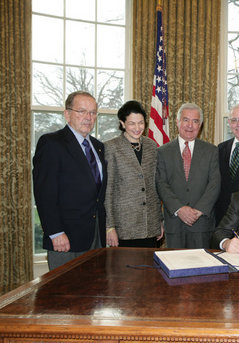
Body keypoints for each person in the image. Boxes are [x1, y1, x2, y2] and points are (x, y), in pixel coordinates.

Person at [33, 91, 107, 270]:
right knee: (65, 295)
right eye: (81, 111)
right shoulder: (52, 143)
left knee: (93, 292)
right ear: (67, 114)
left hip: (96, 237)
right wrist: (55, 232)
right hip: (65, 238)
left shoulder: (98, 147)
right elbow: (44, 193)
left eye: (93, 112)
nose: (88, 117)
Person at [156, 103, 221, 249]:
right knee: (174, 266)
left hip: (202, 224)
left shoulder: (211, 151)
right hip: (174, 224)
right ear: (178, 122)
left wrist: (197, 211)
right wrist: (180, 209)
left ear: (201, 124)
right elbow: (161, 184)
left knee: (202, 268)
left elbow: (214, 184)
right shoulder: (163, 152)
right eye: (186, 120)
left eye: (195, 121)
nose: (190, 125)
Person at [104, 101, 163, 248]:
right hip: (124, 227)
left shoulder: (151, 146)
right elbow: (108, 190)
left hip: (150, 226)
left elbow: (154, 187)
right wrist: (109, 227)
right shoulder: (111, 147)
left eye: (141, 123)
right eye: (131, 123)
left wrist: (159, 221)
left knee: (150, 270)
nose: (137, 128)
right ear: (122, 123)